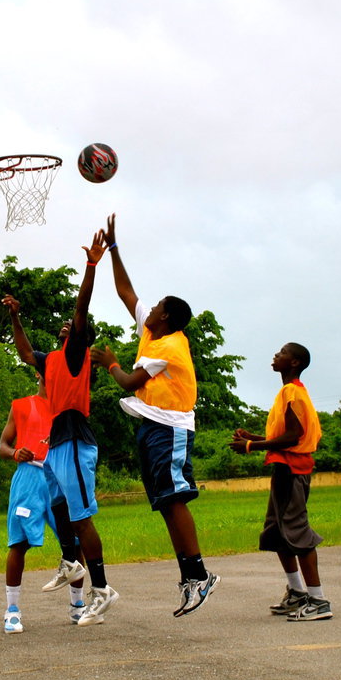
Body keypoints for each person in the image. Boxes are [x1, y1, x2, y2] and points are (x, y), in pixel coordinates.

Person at [92, 213, 219, 617]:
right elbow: (126, 291)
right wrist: (113, 249)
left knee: (176, 499)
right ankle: (189, 578)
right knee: (165, 502)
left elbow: (129, 382)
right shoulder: (153, 330)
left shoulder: (169, 348)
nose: (151, 307)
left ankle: (200, 574)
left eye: (158, 305)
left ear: (165, 317)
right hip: (152, 426)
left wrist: (110, 363)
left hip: (171, 428)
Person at [3, 230, 116, 627]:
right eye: (66, 325)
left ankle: (101, 590)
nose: (70, 325)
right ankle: (70, 561)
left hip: (75, 439)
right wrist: (15, 315)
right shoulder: (50, 360)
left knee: (81, 516)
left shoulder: (75, 356)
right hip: (57, 444)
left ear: (81, 338)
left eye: (75, 326)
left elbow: (81, 308)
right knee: (58, 506)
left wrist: (90, 266)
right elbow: (22, 350)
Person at [230, 343, 330, 620]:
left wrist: (251, 446)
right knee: (278, 533)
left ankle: (319, 599)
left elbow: (294, 438)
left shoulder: (293, 392)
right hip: (285, 468)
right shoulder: (290, 391)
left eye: (283, 352)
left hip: (292, 470)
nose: (276, 355)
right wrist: (254, 437)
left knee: (297, 533)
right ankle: (298, 593)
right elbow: (285, 437)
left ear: (295, 362)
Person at [0, 373, 86, 633]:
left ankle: (77, 605)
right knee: (19, 543)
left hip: (61, 475)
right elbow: (2, 445)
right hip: (30, 478)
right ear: (38, 372)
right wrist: (15, 452)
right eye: (47, 368)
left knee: (75, 542)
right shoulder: (22, 405)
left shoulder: (67, 409)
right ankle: (12, 611)